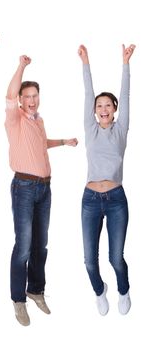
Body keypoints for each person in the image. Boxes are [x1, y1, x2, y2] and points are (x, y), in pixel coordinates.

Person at [5, 55, 78, 326]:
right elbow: (9, 94)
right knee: (23, 246)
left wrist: (63, 142)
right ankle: (18, 300)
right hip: (23, 187)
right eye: (27, 96)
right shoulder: (15, 119)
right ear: (21, 100)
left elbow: (40, 144)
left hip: (45, 189)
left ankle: (35, 290)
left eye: (35, 95)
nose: (32, 100)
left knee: (40, 245)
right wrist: (21, 66)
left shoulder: (38, 120)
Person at [78, 44, 135, 315]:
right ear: (94, 110)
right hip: (90, 199)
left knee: (116, 258)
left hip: (115, 200)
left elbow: (125, 95)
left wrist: (125, 64)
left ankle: (123, 291)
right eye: (99, 106)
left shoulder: (120, 129)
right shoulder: (90, 129)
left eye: (107, 105)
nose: (103, 108)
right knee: (90, 261)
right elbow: (88, 92)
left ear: (114, 110)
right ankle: (100, 292)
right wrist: (85, 62)